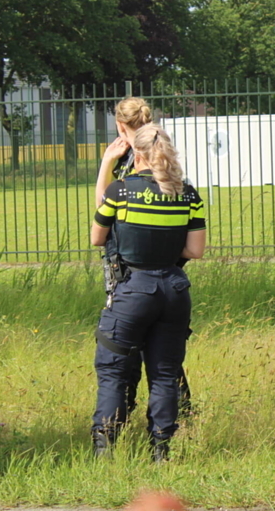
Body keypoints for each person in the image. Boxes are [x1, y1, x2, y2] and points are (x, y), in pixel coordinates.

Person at [90, 123, 206, 461]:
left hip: (133, 289)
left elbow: (98, 238)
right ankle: (161, 450)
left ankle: (105, 450)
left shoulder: (120, 191)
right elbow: (195, 251)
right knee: (165, 372)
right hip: (174, 290)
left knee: (112, 368)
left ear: (135, 153)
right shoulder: (187, 193)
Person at [95, 97, 193, 418]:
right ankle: (174, 418)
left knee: (125, 345)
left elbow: (103, 213)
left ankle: (124, 412)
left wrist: (106, 163)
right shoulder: (161, 150)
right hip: (170, 272)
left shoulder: (129, 158)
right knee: (165, 353)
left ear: (120, 125)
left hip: (129, 269)